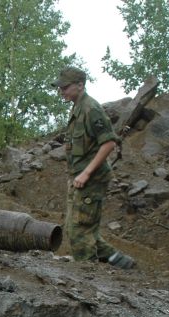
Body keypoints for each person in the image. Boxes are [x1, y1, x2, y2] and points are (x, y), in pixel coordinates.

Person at [53, 66, 134, 269]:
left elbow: (109, 143)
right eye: (60, 88)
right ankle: (119, 262)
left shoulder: (91, 109)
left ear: (80, 85)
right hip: (79, 179)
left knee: (79, 230)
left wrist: (86, 173)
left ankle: (87, 276)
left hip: (91, 179)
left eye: (65, 87)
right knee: (80, 228)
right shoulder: (77, 108)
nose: (61, 91)